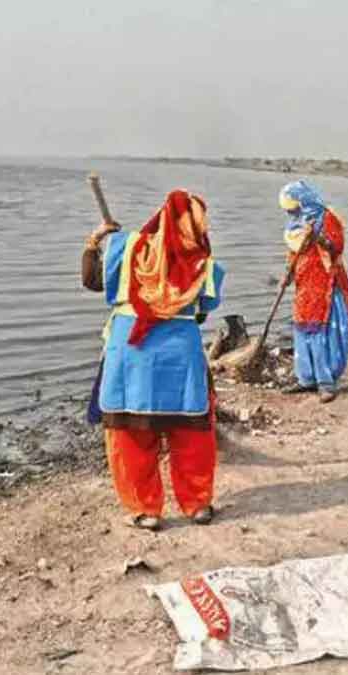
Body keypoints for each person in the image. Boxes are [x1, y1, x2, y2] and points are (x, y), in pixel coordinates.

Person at [81, 190, 226, 531]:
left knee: (131, 434)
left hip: (131, 357)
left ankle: (146, 510)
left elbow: (92, 281)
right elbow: (203, 314)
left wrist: (95, 239)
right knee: (191, 434)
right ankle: (197, 504)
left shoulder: (126, 248)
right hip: (181, 358)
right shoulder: (205, 266)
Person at [278, 180, 348, 403]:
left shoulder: (327, 218)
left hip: (325, 285)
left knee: (320, 332)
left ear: (303, 201)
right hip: (304, 285)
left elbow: (337, 248)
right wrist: (288, 273)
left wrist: (319, 238)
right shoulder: (295, 225)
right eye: (288, 210)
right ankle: (306, 379)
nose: (290, 213)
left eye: (292, 208)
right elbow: (293, 253)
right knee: (302, 330)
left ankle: (326, 382)